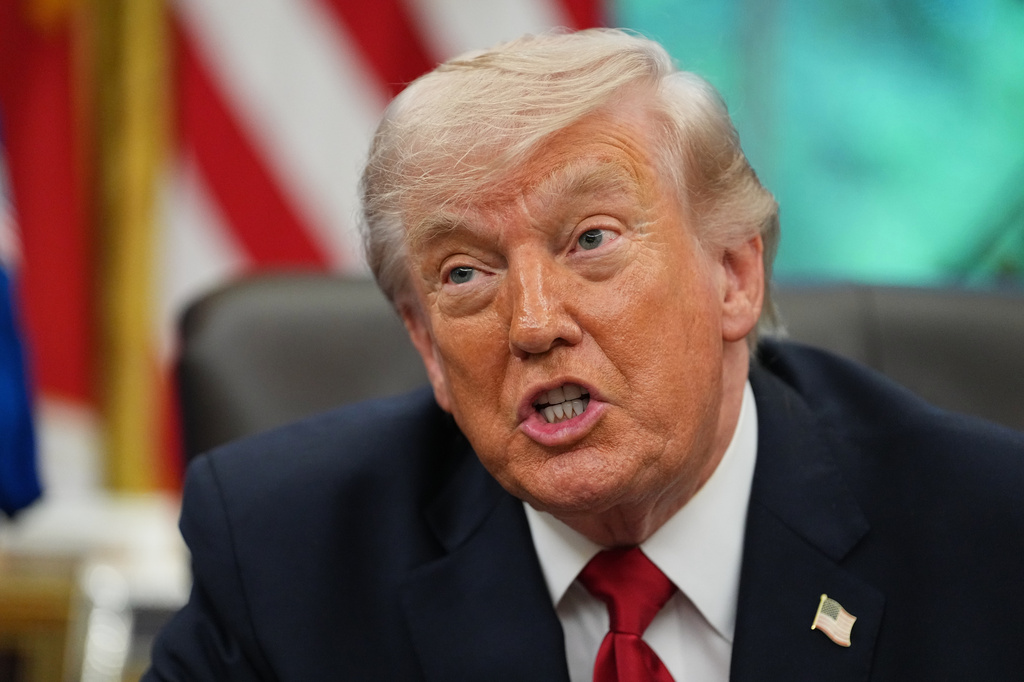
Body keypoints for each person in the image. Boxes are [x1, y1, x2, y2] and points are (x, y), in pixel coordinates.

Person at [145, 29, 1024, 681]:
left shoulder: (987, 535)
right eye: (464, 272)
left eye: (591, 239)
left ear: (734, 275)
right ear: (427, 346)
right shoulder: (283, 554)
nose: (533, 323)